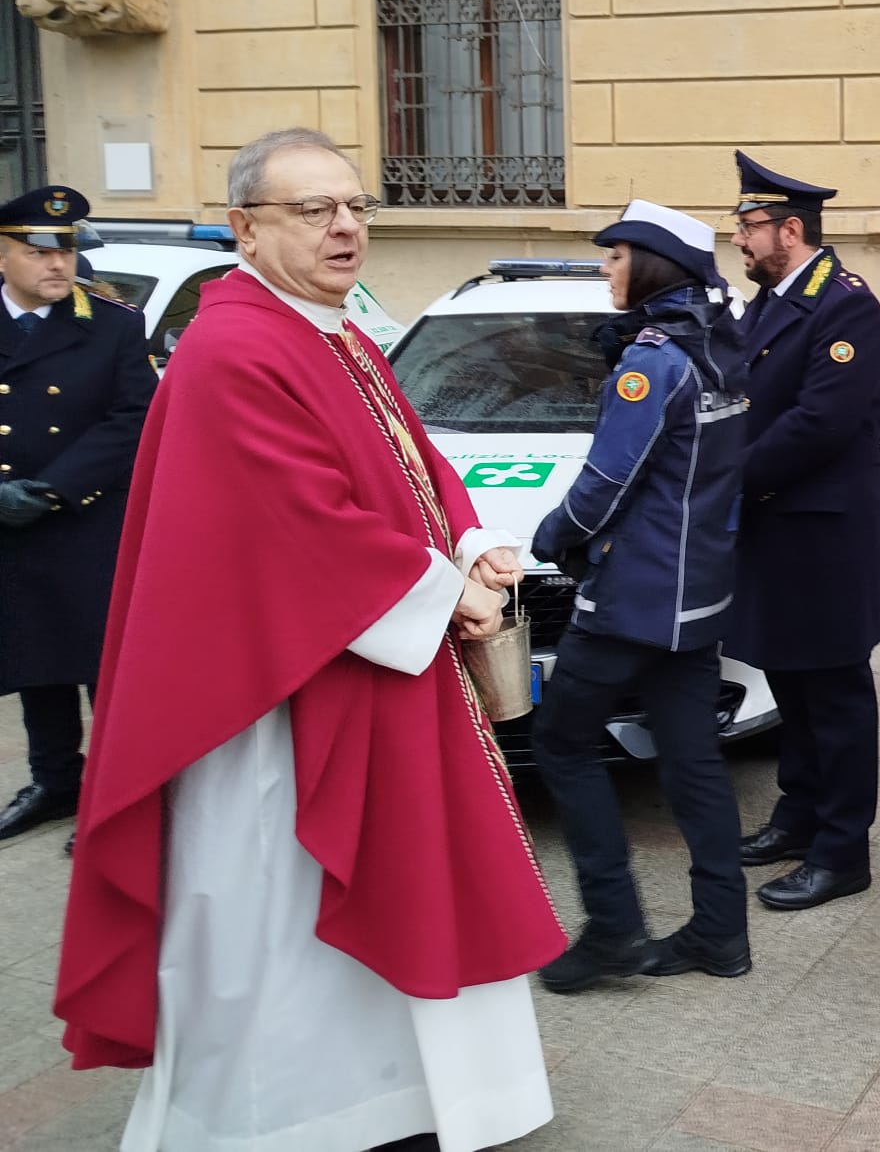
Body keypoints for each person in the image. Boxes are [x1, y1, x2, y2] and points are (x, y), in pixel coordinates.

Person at [54, 128, 565, 1152]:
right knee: (289, 924)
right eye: (313, 210)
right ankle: (297, 1124)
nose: (345, 229)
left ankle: (412, 1101)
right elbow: (300, 529)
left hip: (372, 662)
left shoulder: (334, 330)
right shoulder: (233, 346)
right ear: (244, 228)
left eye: (355, 207)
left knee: (406, 881)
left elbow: (411, 460)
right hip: (280, 703)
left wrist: (466, 545)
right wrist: (444, 594)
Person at [530, 199, 753, 993]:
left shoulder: (653, 358)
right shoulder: (721, 344)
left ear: (653, 266)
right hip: (696, 599)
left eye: (617, 255)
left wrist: (552, 538)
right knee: (693, 764)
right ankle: (722, 933)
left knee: (560, 742)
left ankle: (614, 929)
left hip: (633, 599)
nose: (605, 267)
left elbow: (604, 482)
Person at [729, 151, 880, 911]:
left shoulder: (845, 305)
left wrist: (733, 478)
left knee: (834, 697)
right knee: (791, 687)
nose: (740, 239)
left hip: (823, 538)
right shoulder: (766, 303)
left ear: (789, 230)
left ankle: (842, 849)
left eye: (749, 225)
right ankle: (797, 817)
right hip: (777, 530)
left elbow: (822, 421)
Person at [0, 187, 152, 848]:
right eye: (37, 251)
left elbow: (135, 418)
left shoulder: (113, 323)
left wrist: (57, 489)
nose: (56, 264)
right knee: (36, 661)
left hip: (88, 523)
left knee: (103, 667)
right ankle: (55, 781)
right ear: (3, 254)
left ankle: (114, 796)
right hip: (9, 527)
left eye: (63, 248)